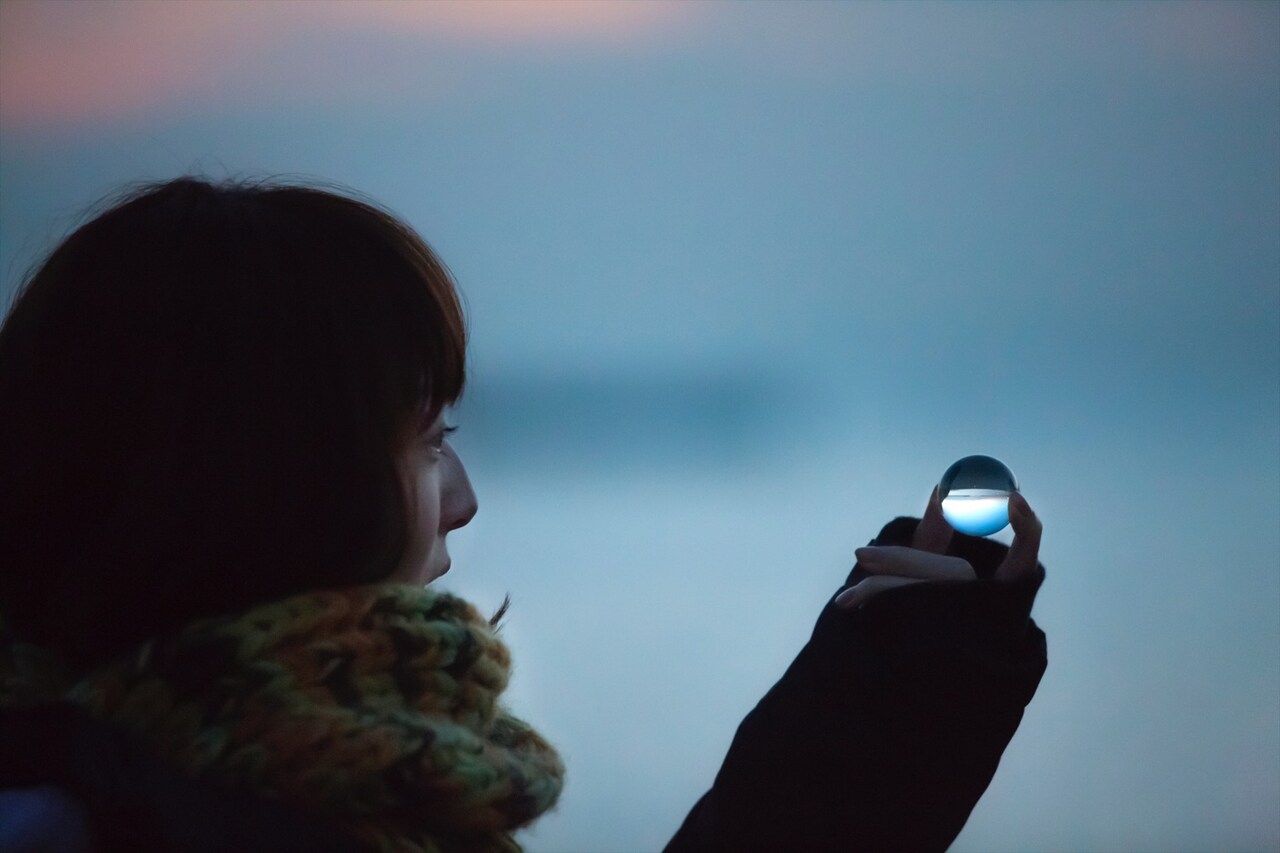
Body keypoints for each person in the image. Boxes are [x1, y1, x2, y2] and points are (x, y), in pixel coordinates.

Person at [0, 176, 1046, 852]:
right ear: (264, 476)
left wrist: (901, 677)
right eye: (426, 445)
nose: (463, 501)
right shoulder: (119, 821)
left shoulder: (173, 785)